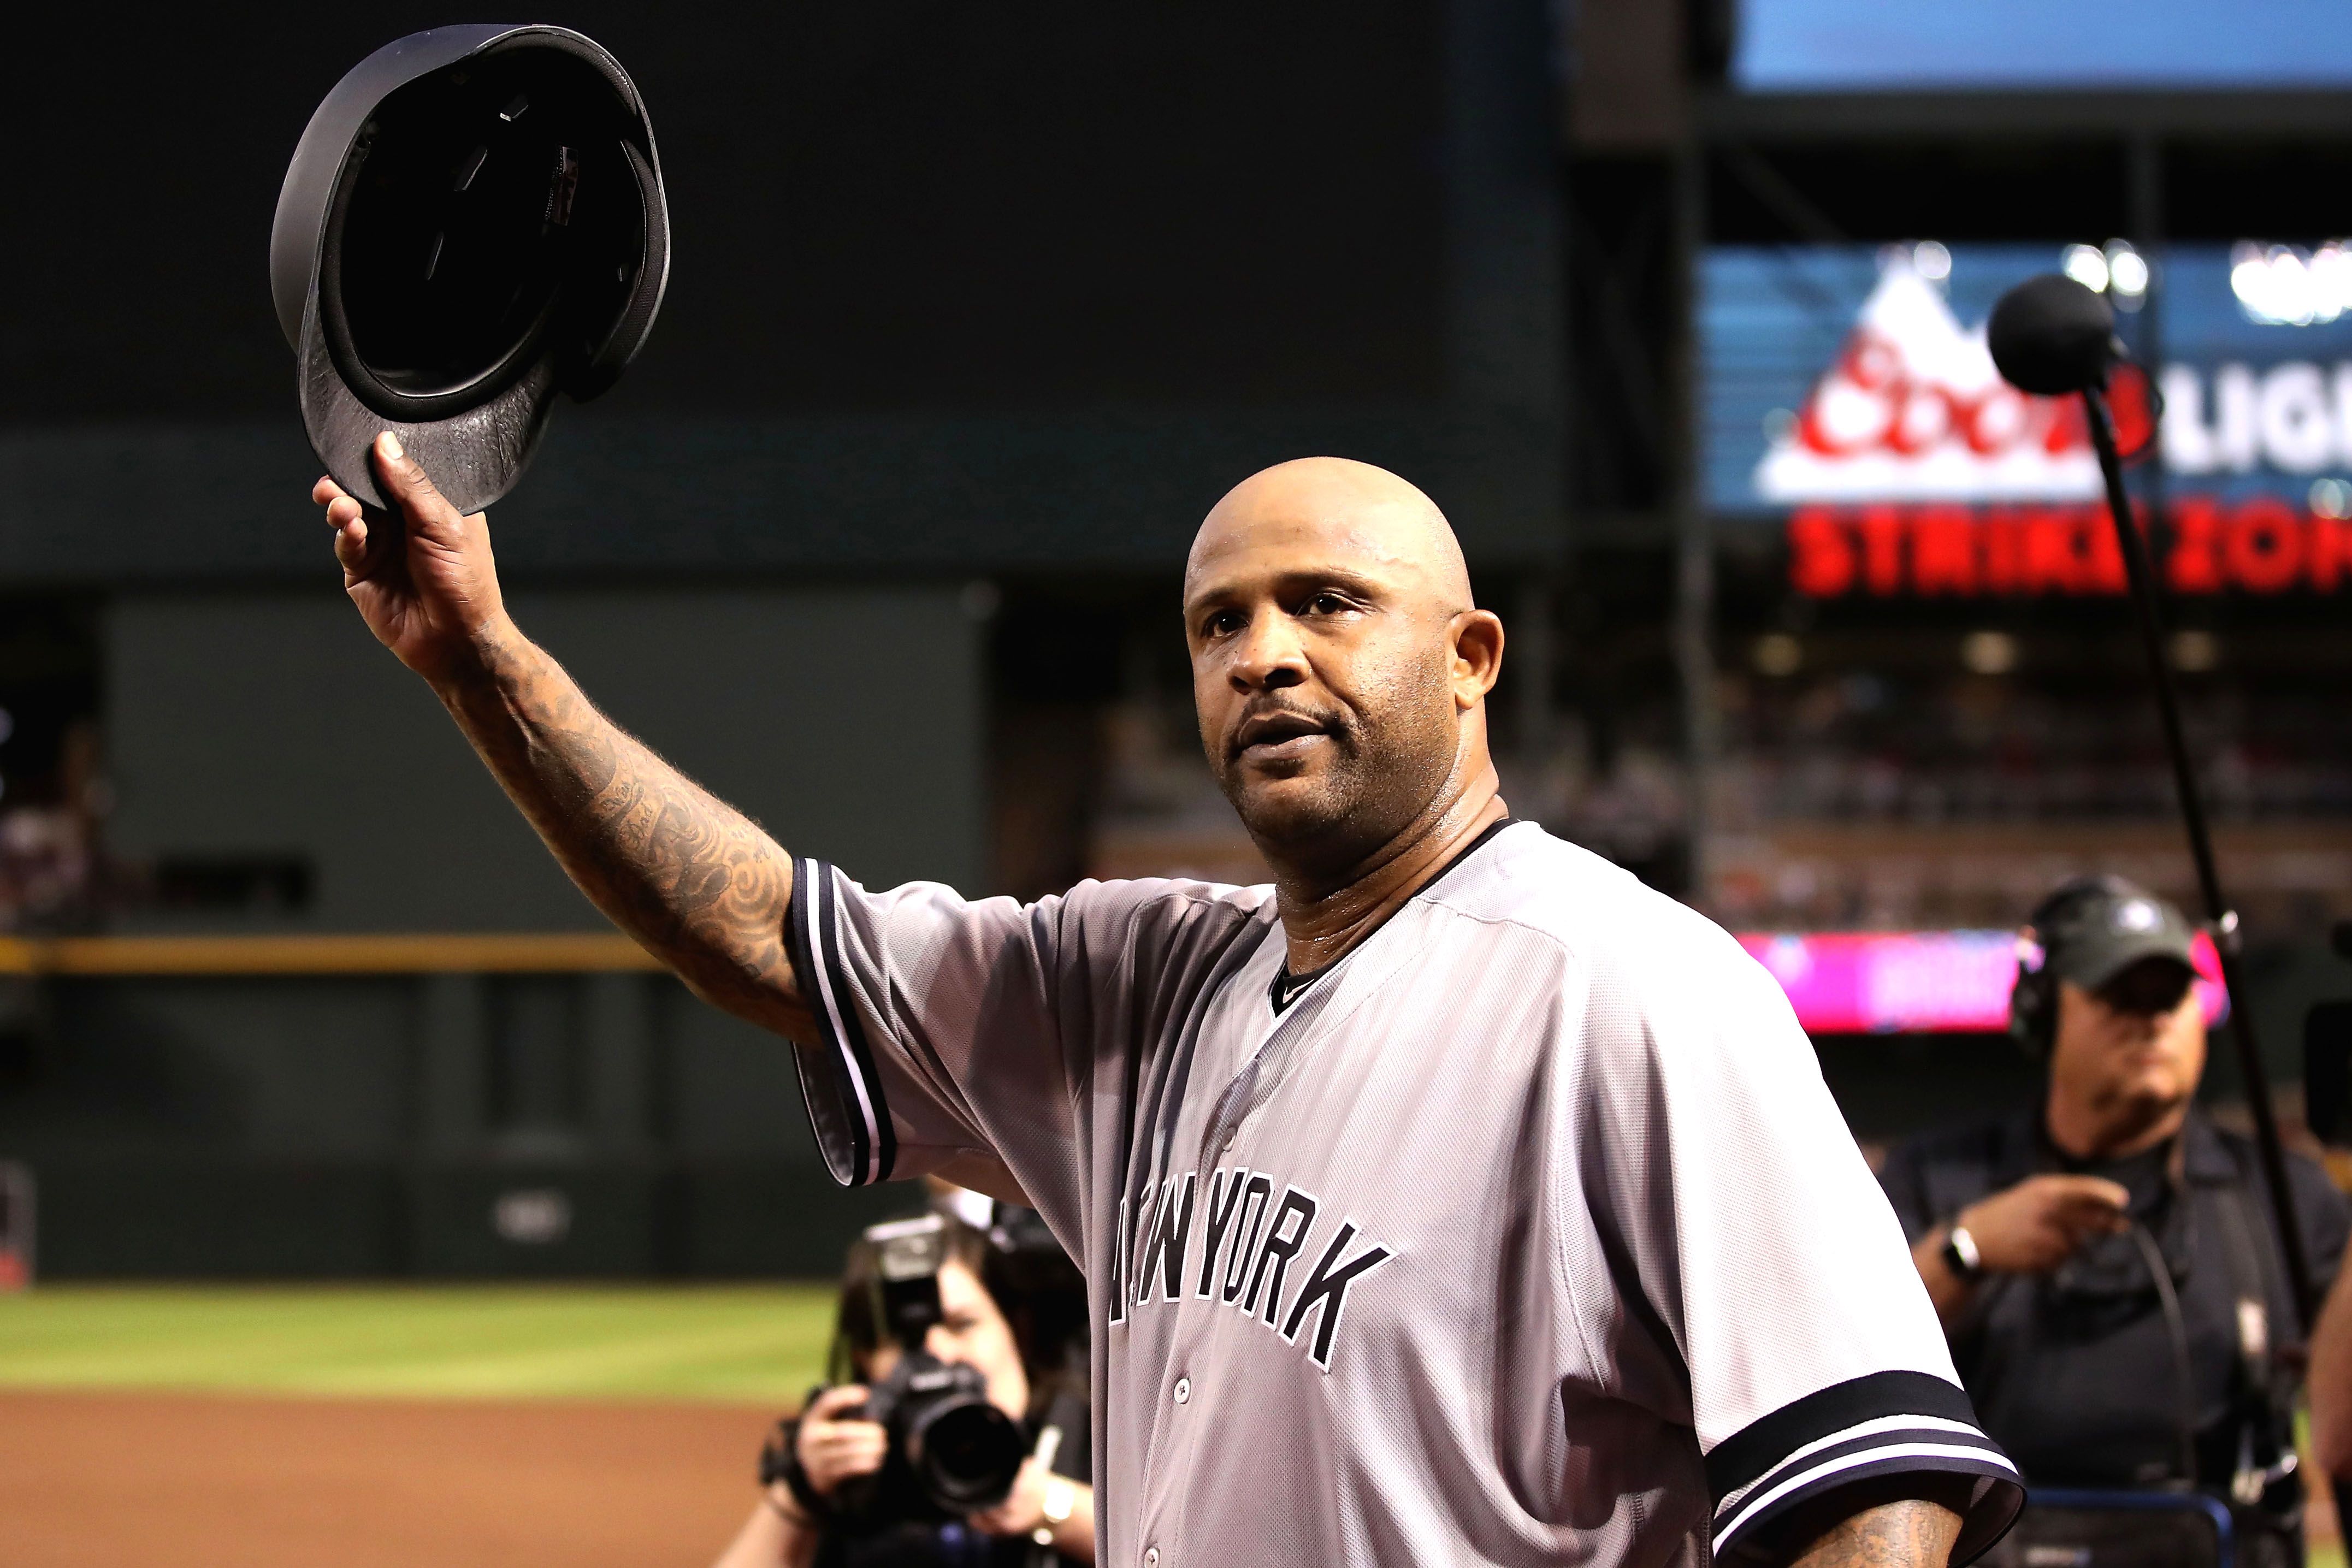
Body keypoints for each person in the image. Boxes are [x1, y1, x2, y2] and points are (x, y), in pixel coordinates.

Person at [314, 441, 2022, 1568]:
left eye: (1324, 605)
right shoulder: (1127, 982)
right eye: (1220, 623)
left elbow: (1871, 1488)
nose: (1262, 653)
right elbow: (761, 931)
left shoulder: (1637, 992)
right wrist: (480, 659)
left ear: (1472, 657)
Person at [1879, 875, 2349, 1563]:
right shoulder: (1938, 1178)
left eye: (2169, 997)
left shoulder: (2284, 1192)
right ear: (2042, 1015)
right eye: (2118, 996)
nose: (2150, 1019)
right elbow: (1851, 1371)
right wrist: (1967, 1251)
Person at [712, 1211, 1095, 1568]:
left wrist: (1049, 1504)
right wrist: (802, 1492)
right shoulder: (858, 1470)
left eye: (962, 1324)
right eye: (904, 1340)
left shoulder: (1091, 1429)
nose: (938, 1353)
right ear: (865, 1359)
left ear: (1016, 1328)